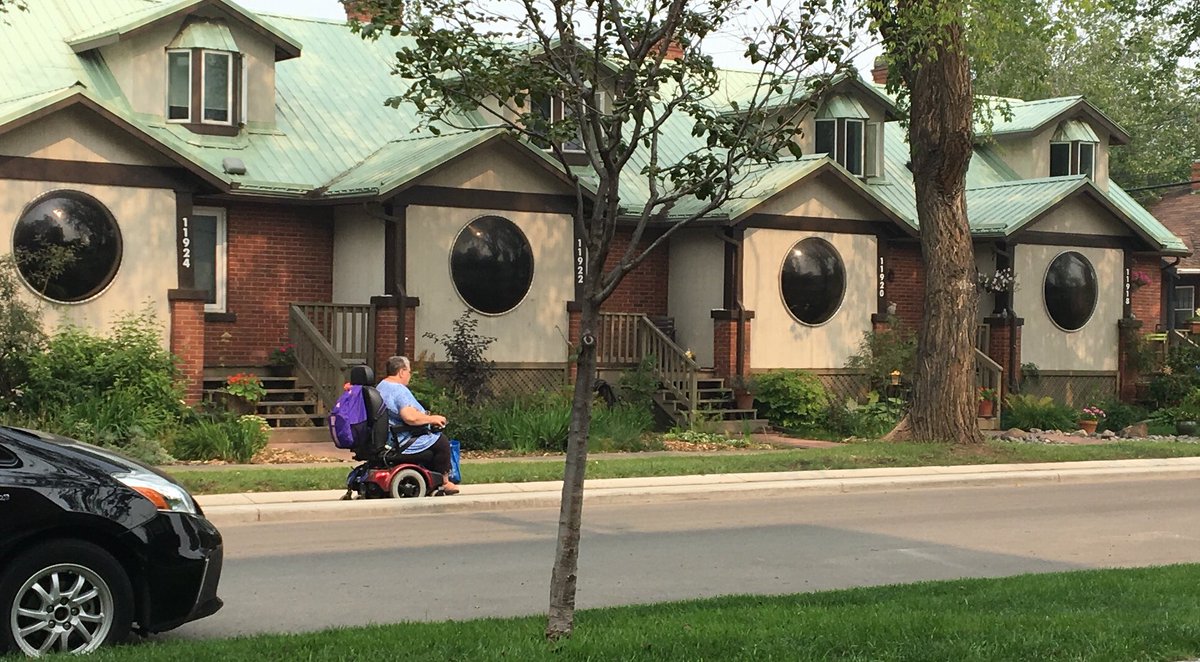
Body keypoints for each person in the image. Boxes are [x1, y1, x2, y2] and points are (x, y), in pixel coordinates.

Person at [376, 355, 459, 495]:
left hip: (387, 438)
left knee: (433, 441)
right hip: (401, 440)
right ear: (402, 372)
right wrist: (432, 419)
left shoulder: (381, 387)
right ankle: (445, 482)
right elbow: (410, 417)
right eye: (409, 371)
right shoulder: (398, 390)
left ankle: (432, 479)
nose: (409, 375)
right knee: (441, 442)